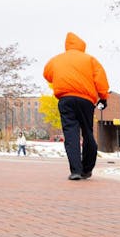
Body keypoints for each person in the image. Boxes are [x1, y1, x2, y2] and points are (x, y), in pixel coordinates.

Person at [43, 32, 109, 181]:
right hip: (86, 100)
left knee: (71, 134)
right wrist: (103, 97)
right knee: (87, 133)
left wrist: (61, 76)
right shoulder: (90, 60)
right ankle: (87, 169)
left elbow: (47, 74)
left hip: (66, 99)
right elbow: (100, 79)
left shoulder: (57, 59)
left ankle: (75, 171)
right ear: (82, 46)